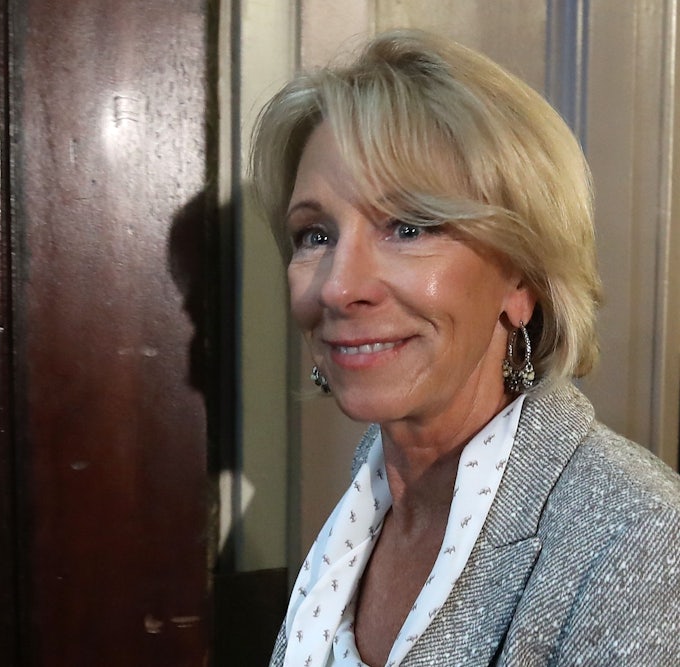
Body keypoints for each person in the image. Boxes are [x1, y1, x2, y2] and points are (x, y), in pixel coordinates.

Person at [249, 29, 680, 666]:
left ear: (522, 280)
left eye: (408, 227)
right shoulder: (372, 495)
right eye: (315, 235)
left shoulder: (640, 537)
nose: (338, 288)